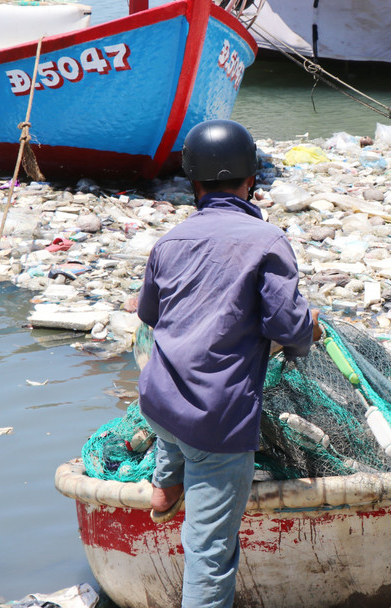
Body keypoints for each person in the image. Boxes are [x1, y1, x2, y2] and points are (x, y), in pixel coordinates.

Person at [137, 119, 320, 608]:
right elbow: (289, 327)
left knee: (175, 426)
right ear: (251, 182)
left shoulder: (169, 241)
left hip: (158, 401)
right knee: (210, 554)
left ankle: (163, 487)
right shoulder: (267, 241)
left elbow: (150, 315)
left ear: (193, 184)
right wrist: (311, 330)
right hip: (215, 421)